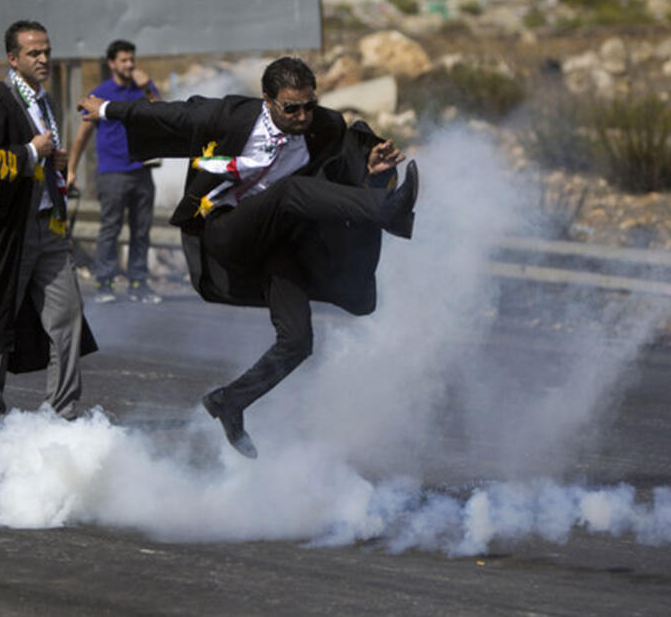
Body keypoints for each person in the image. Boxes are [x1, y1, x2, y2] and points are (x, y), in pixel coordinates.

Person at [77, 57, 417, 459]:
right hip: (226, 229)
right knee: (288, 193)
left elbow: (342, 179)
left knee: (297, 341)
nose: (302, 116)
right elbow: (174, 115)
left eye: (309, 105)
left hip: (276, 240)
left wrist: (374, 175)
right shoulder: (232, 116)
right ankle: (388, 212)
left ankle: (231, 401)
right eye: (291, 108)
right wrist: (108, 109)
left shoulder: (323, 126)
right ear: (268, 101)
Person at [0, 19, 99, 433]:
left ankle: (62, 415)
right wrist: (30, 152)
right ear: (12, 58)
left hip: (49, 229)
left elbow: (43, 158)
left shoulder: (46, 103)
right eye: (33, 53)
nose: (43, 59)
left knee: (68, 317)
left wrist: (54, 161)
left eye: (47, 52)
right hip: (11, 234)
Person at [67, 39, 164, 304]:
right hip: (113, 172)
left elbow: (162, 117)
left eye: (132, 59)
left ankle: (138, 283)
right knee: (110, 228)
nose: (130, 65)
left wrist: (148, 88)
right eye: (124, 60)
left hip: (142, 170)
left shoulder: (144, 88)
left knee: (141, 230)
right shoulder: (101, 93)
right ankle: (105, 282)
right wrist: (71, 170)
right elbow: (82, 135)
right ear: (112, 63)